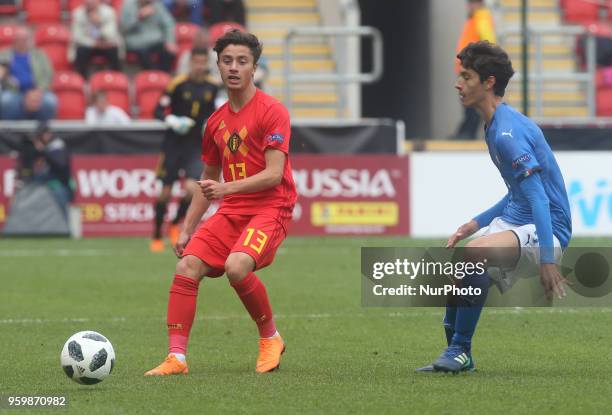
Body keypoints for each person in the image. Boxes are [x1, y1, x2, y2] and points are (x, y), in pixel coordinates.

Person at [144, 29, 296, 376]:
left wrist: (227, 190)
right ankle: (176, 359)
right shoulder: (215, 122)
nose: (234, 67)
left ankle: (270, 337)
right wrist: (186, 229)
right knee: (187, 267)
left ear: (254, 68)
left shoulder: (273, 111)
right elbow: (207, 178)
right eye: (227, 60)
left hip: (271, 208)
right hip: (233, 211)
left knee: (237, 266)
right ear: (218, 66)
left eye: (242, 61)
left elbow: (274, 174)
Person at [417, 41, 572, 373]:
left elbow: (540, 199)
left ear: (488, 82)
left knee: (475, 254)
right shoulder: (495, 126)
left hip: (549, 229)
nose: (458, 84)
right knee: (460, 270)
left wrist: (547, 260)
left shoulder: (507, 134)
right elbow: (518, 192)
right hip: (518, 220)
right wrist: (476, 222)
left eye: (466, 76)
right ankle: (456, 355)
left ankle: (459, 351)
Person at [150, 47, 218, 252]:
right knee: (165, 193)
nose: (199, 66)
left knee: (191, 190)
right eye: (196, 62)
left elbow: (214, 113)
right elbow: (158, 110)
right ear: (190, 63)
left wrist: (209, 124)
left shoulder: (212, 87)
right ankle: (156, 234)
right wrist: (171, 119)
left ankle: (174, 224)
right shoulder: (177, 84)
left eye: (202, 62)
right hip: (173, 144)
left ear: (207, 63)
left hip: (194, 145)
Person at [452, 0, 496, 139]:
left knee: (470, 100)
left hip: (472, 69)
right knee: (467, 99)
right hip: (468, 68)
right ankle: (466, 130)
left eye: (472, 3)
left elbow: (488, 41)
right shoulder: (475, 18)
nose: (469, 6)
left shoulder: (480, 16)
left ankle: (468, 132)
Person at [0, 26, 57, 122]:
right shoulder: (4, 55)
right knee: (6, 101)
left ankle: (44, 133)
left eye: (24, 39)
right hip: (14, 92)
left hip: (37, 91)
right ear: (14, 41)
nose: (21, 42)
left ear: (30, 40)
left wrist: (38, 91)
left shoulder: (40, 55)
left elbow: (48, 75)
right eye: (19, 39)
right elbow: (3, 76)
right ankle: (9, 134)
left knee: (50, 101)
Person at [16, 123, 74, 214]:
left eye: (44, 134)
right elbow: (28, 165)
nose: (42, 137)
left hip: (60, 183)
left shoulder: (57, 145)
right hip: (43, 183)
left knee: (61, 212)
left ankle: (64, 227)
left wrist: (43, 150)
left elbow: (60, 164)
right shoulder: (40, 147)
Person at [70, 0, 123, 79]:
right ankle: (82, 81)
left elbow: (111, 34)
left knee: (114, 50)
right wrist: (93, 44)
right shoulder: (78, 13)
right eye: (87, 2)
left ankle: (116, 79)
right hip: (87, 44)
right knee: (81, 51)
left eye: (93, 2)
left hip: (106, 43)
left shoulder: (109, 12)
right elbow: (77, 37)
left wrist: (98, 23)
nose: (90, 3)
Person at [120, 0, 178, 72]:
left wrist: (170, 41)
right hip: (135, 42)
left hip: (156, 40)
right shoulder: (128, 5)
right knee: (143, 53)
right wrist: (139, 17)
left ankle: (163, 77)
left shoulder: (157, 5)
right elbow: (123, 28)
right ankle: (151, 77)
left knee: (168, 52)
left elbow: (169, 24)